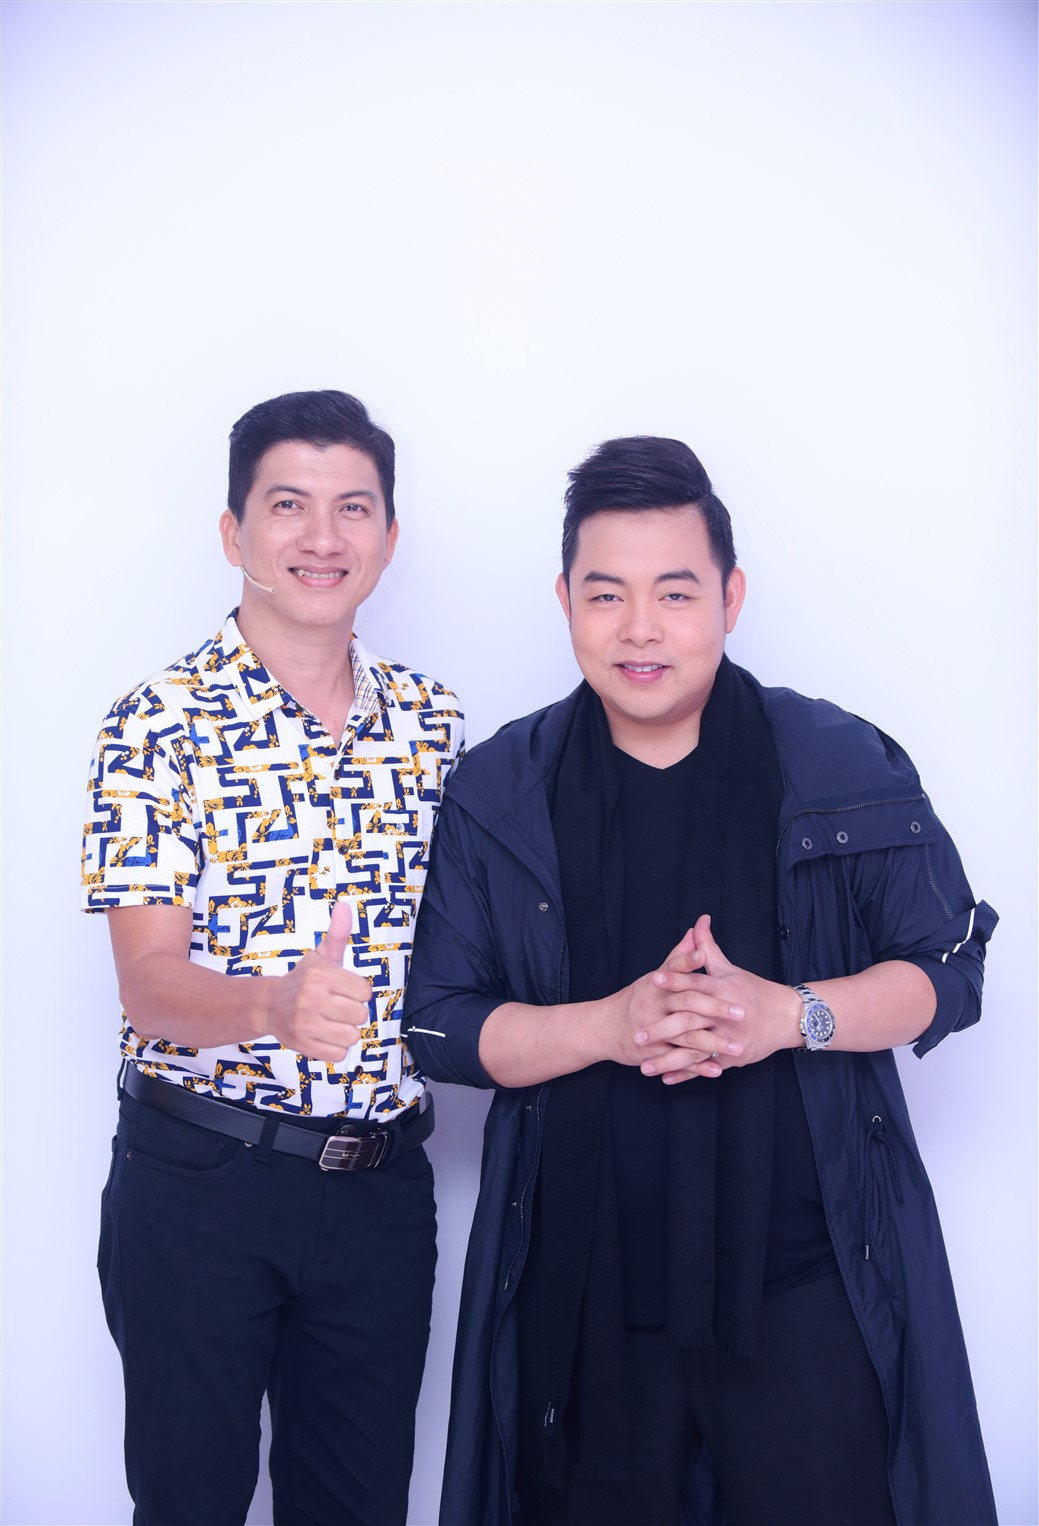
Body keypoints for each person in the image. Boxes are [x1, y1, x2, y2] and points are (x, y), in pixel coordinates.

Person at [403, 435, 997, 1526]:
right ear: (564, 601)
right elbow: (437, 1025)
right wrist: (608, 1025)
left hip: (807, 1284)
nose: (640, 628)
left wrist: (790, 1014)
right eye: (606, 594)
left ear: (730, 597)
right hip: (582, 1297)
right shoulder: (501, 789)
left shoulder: (838, 761)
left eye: (674, 593)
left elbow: (949, 967)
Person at [82, 390, 464, 1526]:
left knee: (359, 1506)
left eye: (354, 508)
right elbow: (148, 983)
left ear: (388, 538)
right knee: (189, 1502)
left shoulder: (436, 727)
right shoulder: (156, 724)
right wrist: (273, 1006)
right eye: (288, 504)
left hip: (383, 1185)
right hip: (203, 1180)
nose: (322, 536)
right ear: (233, 530)